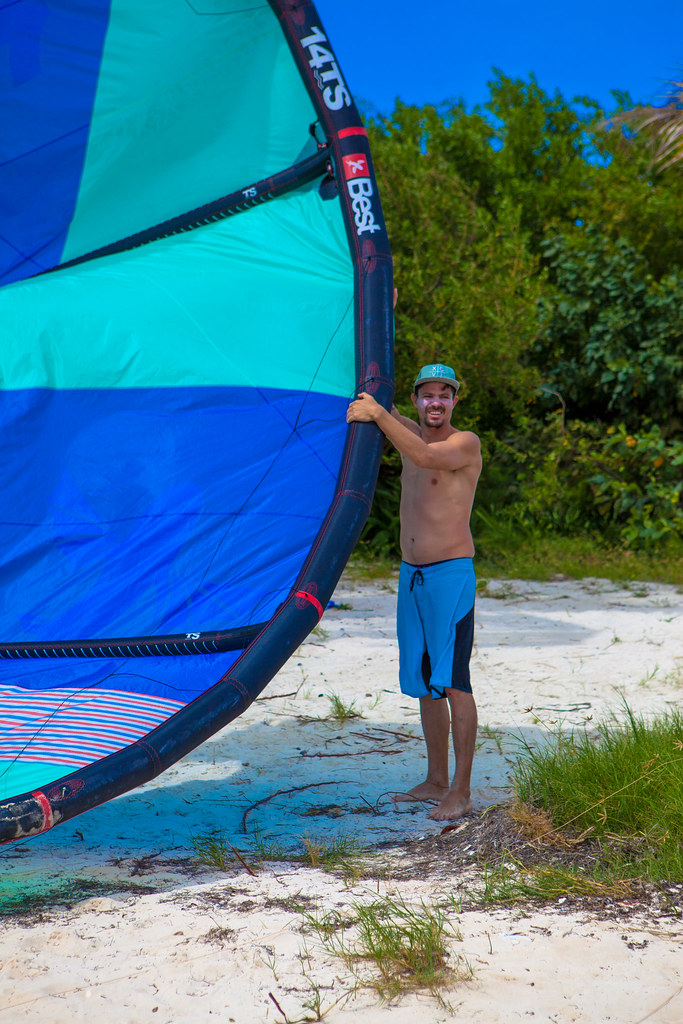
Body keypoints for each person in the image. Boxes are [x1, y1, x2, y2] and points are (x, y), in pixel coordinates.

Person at [346, 362, 482, 820]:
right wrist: (382, 317)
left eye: (446, 394)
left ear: (455, 401)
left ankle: (461, 791)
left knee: (454, 682)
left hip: (450, 577)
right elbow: (377, 406)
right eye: (428, 394)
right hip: (412, 576)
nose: (437, 402)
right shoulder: (411, 435)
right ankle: (436, 780)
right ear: (417, 401)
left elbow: (422, 455)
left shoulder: (464, 444)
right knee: (427, 685)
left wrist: (381, 418)